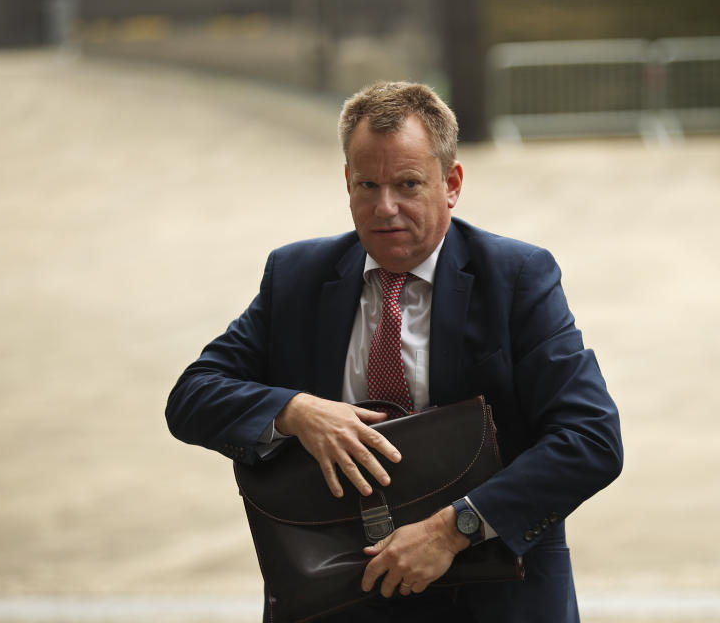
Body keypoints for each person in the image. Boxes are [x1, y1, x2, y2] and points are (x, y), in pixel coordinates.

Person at [165, 81, 623, 622]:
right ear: (347, 183)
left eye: (408, 184)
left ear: (450, 184)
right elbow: (192, 396)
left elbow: (591, 439)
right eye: (368, 184)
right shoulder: (296, 277)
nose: (386, 208)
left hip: (492, 597)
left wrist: (453, 530)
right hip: (337, 598)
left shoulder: (516, 277)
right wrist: (295, 411)